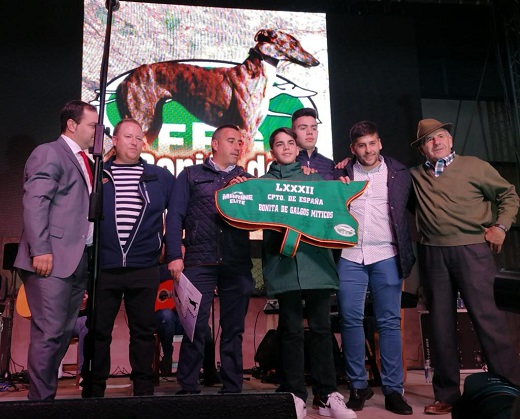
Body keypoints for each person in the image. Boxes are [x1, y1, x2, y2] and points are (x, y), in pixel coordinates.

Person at [410, 118, 520, 415]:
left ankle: (511, 388)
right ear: (422, 149)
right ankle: (447, 395)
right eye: (430, 140)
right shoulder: (415, 176)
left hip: (473, 251)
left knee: (489, 320)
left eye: (442, 136)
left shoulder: (474, 166)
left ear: (450, 139)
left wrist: (501, 226)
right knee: (441, 326)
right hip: (433, 254)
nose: (437, 142)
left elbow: (509, 194)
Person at [262, 127, 357, 419]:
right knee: (289, 331)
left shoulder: (315, 179)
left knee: (321, 330)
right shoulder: (262, 185)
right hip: (284, 266)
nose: (287, 147)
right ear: (272, 151)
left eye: (291, 143)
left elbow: (334, 213)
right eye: (280, 144)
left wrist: (342, 187)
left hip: (316, 265)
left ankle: (327, 395)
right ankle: (294, 394)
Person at [83, 118, 175, 397]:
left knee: (143, 332)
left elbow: (179, 215)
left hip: (144, 268)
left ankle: (144, 392)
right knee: (98, 332)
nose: (134, 142)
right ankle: (93, 392)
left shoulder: (159, 176)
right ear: (115, 140)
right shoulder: (98, 173)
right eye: (128, 137)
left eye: (138, 138)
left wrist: (173, 250)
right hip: (105, 267)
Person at [14, 100, 98, 400]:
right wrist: (41, 249)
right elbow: (36, 202)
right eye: (92, 125)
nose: (97, 131)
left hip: (75, 262)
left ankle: (42, 399)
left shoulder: (87, 160)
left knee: (61, 335)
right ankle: (40, 404)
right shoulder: (50, 152)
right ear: (72, 125)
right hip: (49, 260)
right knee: (50, 334)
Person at [335, 121, 414, 415]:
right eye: (361, 145)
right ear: (353, 149)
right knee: (350, 321)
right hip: (350, 256)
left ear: (379, 143)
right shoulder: (340, 174)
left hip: (387, 255)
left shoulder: (399, 174)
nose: (367, 150)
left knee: (389, 322)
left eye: (372, 143)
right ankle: (358, 385)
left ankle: (394, 390)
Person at [169, 124, 254, 394]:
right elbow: (174, 217)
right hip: (198, 260)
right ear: (215, 144)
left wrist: (244, 197)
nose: (238, 146)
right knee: (194, 327)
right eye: (231, 141)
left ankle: (232, 387)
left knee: (233, 329)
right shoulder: (191, 175)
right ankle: (188, 387)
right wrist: (173, 254)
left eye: (240, 142)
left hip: (236, 262)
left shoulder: (248, 179)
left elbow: (255, 222)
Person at [293, 108, 334, 179]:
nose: (310, 132)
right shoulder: (286, 163)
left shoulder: (329, 164)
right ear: (293, 132)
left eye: (314, 128)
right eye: (303, 128)